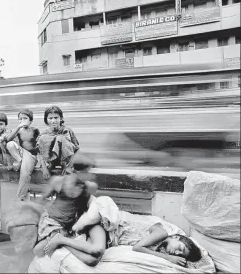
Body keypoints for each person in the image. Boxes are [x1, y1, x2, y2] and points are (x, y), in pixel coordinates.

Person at [44, 196, 202, 267]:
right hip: (105, 228)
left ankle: (63, 243)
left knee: (92, 261)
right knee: (97, 250)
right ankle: (61, 239)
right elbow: (137, 247)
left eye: (179, 255)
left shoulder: (157, 248)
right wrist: (168, 258)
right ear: (176, 237)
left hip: (110, 240)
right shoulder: (162, 233)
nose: (176, 253)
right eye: (180, 248)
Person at [33, 173, 98, 258]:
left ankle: (60, 240)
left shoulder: (85, 190)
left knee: (38, 250)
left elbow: (85, 213)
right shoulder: (60, 182)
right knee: (37, 250)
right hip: (51, 222)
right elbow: (43, 197)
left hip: (64, 228)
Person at [37, 106, 96, 179]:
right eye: (50, 118)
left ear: (61, 118)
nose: (53, 121)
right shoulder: (43, 134)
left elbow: (76, 149)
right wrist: (44, 169)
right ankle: (51, 165)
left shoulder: (67, 131)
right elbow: (39, 152)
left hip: (67, 161)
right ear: (46, 120)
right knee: (43, 138)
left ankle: (67, 166)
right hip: (51, 162)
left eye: (56, 118)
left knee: (61, 138)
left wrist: (69, 166)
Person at [5, 109, 41, 201]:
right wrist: (18, 127)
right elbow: (8, 139)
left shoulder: (35, 130)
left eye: (25, 118)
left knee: (24, 174)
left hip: (31, 155)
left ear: (31, 121)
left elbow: (40, 145)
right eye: (20, 119)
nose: (22, 121)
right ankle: (20, 161)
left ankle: (20, 197)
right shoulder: (19, 130)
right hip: (22, 154)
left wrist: (41, 162)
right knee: (10, 144)